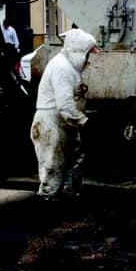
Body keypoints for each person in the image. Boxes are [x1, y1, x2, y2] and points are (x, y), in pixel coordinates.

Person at [30, 28, 98, 200]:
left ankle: (67, 197)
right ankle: (48, 202)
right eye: (88, 54)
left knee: (73, 159)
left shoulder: (69, 67)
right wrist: (84, 122)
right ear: (80, 51)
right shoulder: (63, 68)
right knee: (53, 166)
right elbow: (65, 105)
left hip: (62, 123)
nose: (89, 59)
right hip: (51, 124)